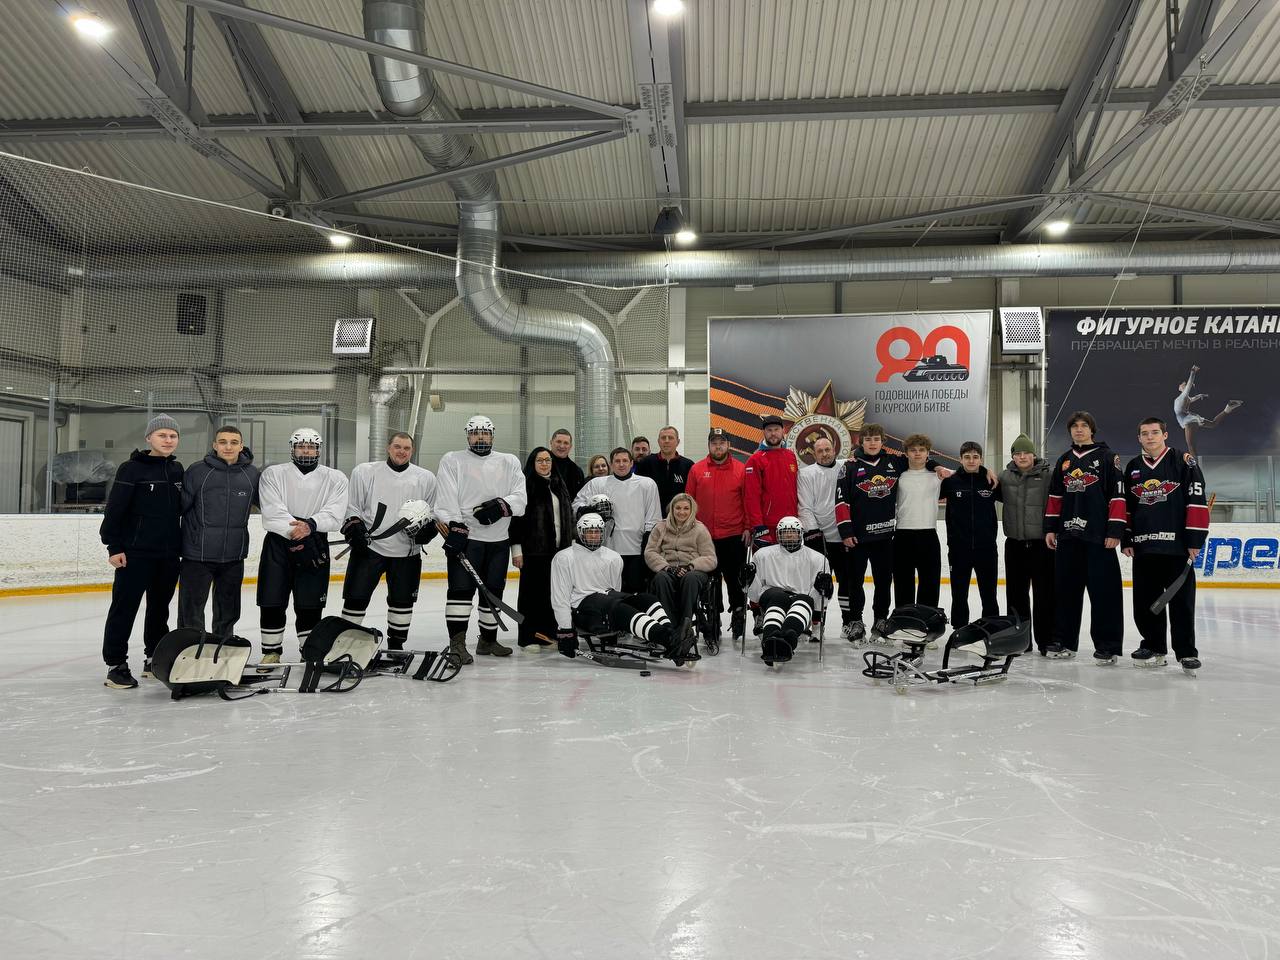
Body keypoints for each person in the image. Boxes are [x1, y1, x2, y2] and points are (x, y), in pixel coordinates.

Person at [836, 424, 958, 640]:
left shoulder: (895, 463)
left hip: (885, 536)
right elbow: (841, 499)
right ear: (861, 442)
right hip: (860, 536)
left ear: (883, 442)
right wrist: (845, 530)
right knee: (855, 581)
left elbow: (926, 461)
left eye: (877, 439)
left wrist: (936, 465)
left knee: (884, 583)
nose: (873, 443)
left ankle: (882, 619)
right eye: (868, 439)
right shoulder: (850, 466)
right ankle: (855, 620)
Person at [100, 414, 184, 689]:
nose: (168, 440)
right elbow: (115, 509)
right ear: (149, 438)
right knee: (124, 609)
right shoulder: (131, 469)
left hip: (168, 554)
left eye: (172, 436)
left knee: (160, 610)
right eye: (162, 435)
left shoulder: (177, 470)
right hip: (135, 553)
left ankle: (154, 658)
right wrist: (114, 546)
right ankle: (116, 665)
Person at [436, 415, 528, 663]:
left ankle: (488, 640)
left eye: (485, 433)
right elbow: (445, 498)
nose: (480, 437)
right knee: (460, 593)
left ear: (492, 435)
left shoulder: (508, 461)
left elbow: (521, 498)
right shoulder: (452, 459)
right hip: (468, 540)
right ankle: (457, 644)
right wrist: (456, 527)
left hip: (498, 541)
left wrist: (501, 506)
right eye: (475, 432)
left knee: (493, 592)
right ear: (467, 435)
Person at [552, 513, 697, 665]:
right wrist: (566, 631)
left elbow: (615, 589)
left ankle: (673, 637)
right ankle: (669, 639)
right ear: (581, 532)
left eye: (597, 532)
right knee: (617, 607)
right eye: (590, 531)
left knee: (646, 599)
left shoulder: (613, 557)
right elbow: (560, 598)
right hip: (581, 608)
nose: (594, 536)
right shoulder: (564, 558)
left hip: (605, 601)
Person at [1122, 417, 1209, 671]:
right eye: (1144, 433)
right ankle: (1152, 644)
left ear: (1165, 435)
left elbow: (1197, 500)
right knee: (1146, 601)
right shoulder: (1133, 467)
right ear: (1139, 438)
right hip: (1143, 546)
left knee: (1181, 601)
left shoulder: (1182, 461)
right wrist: (1126, 538)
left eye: (1154, 432)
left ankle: (1185, 651)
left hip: (1176, 547)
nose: (1150, 437)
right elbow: (1127, 507)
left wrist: (1194, 539)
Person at [257, 428, 348, 663]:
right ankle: (271, 653)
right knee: (272, 600)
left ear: (318, 449)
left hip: (315, 541)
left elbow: (335, 514)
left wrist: (311, 525)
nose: (306, 450)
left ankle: (309, 651)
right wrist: (299, 529)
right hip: (279, 543)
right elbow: (271, 511)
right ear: (292, 447)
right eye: (301, 446)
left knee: (309, 603)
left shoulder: (335, 477)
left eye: (311, 446)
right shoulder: (273, 474)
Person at [339, 432, 437, 650]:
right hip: (370, 549)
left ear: (412, 451)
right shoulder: (365, 472)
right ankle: (345, 644)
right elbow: (352, 506)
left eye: (407, 448)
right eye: (397, 446)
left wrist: (427, 531)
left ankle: (396, 646)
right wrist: (354, 527)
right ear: (388, 448)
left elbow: (431, 513)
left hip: (407, 552)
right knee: (356, 598)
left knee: (402, 602)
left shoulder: (426, 478)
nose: (401, 451)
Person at [1044, 411, 1126, 663]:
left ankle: (1108, 646)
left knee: (1105, 594)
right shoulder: (1064, 461)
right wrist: (1050, 528)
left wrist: (1114, 530)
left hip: (1098, 537)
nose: (1079, 430)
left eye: (1084, 426)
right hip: (1068, 536)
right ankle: (1064, 641)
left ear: (1092, 430)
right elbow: (1055, 498)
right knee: (1065, 592)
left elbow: (1118, 496)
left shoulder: (1108, 457)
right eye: (1075, 426)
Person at [178, 424, 259, 643]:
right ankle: (190, 651)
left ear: (241, 446)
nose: (228, 446)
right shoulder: (197, 471)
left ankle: (223, 652)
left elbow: (271, 506)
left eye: (234, 442)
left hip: (233, 556)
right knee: (191, 612)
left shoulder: (251, 474)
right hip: (197, 555)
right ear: (214, 445)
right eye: (223, 442)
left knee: (228, 612)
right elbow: (179, 507)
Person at [685, 427, 749, 635]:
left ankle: (738, 613)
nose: (718, 446)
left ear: (728, 445)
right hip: (704, 537)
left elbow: (748, 501)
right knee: (709, 580)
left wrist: (748, 527)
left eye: (722, 442)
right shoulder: (697, 469)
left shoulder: (741, 469)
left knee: (735, 579)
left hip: (733, 535)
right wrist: (689, 529)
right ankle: (712, 617)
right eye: (714, 442)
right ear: (709, 445)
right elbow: (688, 502)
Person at [509, 445, 574, 648]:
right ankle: (529, 637)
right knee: (531, 596)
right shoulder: (526, 485)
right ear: (532, 463)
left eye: (548, 460)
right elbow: (516, 521)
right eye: (540, 460)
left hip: (558, 551)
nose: (545, 464)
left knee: (552, 594)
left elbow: (567, 517)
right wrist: (516, 550)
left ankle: (546, 634)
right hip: (533, 551)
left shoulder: (558, 484)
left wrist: (570, 544)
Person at [743, 516, 831, 664]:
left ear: (800, 533)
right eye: (785, 532)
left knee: (805, 600)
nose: (789, 535)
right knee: (779, 597)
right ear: (778, 534)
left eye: (793, 531)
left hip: (801, 598)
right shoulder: (762, 555)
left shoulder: (817, 559)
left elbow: (819, 603)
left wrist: (823, 588)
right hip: (771, 596)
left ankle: (785, 642)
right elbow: (755, 595)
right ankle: (770, 640)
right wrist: (748, 579)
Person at [574, 447, 661, 592]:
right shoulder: (598, 484)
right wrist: (591, 510)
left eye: (625, 461)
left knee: (635, 588)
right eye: (617, 461)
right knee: (610, 589)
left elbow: (654, 516)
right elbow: (577, 504)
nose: (621, 464)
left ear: (631, 463)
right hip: (607, 548)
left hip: (636, 548)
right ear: (611, 464)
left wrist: (647, 542)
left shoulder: (647, 484)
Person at [998, 434, 1055, 654]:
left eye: (1026, 453)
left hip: (1042, 544)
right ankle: (1020, 640)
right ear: (1013, 455)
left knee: (1045, 594)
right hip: (1015, 544)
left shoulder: (1048, 476)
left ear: (1034, 454)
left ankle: (1046, 639)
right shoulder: (1004, 477)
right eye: (1017, 453)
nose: (1022, 457)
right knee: (1015, 594)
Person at [940, 441, 999, 630]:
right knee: (959, 593)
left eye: (975, 457)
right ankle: (960, 630)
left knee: (989, 594)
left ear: (981, 459)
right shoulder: (951, 482)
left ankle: (990, 630)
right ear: (960, 459)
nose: (971, 460)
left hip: (986, 548)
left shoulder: (990, 481)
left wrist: (988, 471)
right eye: (967, 457)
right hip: (959, 549)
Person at [644, 493, 717, 645]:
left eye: (686, 508)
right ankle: (668, 626)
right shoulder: (661, 527)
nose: (681, 512)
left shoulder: (700, 529)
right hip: (669, 568)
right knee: (660, 578)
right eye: (678, 508)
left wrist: (691, 566)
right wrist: (667, 567)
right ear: (672, 508)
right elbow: (650, 552)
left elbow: (711, 558)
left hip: (693, 571)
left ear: (692, 510)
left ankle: (686, 623)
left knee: (689, 579)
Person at [797, 435, 848, 640]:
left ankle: (849, 622)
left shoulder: (846, 467)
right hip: (820, 538)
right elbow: (805, 506)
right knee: (818, 583)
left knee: (848, 582)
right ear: (814, 453)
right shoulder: (806, 474)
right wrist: (813, 533)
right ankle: (817, 624)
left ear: (834, 449)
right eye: (820, 451)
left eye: (828, 449)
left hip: (844, 537)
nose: (825, 454)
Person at [892, 434, 947, 609]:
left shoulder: (938, 475)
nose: (917, 454)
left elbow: (966, 471)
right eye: (913, 450)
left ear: (928, 453)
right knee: (903, 583)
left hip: (928, 534)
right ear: (906, 453)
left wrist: (987, 471)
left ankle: (926, 621)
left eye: (921, 450)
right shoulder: (898, 476)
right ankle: (905, 620)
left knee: (930, 583)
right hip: (903, 534)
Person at [744, 414, 799, 549]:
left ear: (783, 431)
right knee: (769, 568)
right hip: (768, 526)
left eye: (776, 429)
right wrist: (758, 526)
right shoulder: (755, 460)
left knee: (790, 566)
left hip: (791, 524)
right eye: (769, 430)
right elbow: (751, 496)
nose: (773, 434)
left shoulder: (791, 456)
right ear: (764, 433)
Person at [1174, 364, 1243, 459]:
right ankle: (1228, 408)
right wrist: (1201, 395)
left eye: (1183, 384)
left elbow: (1190, 384)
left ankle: (1195, 469)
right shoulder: (1187, 398)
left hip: (1188, 420)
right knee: (1213, 424)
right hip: (1191, 418)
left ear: (1184, 388)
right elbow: (1194, 398)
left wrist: (1192, 372)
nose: (1182, 384)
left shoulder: (1184, 396)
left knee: (1191, 446)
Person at [634, 425, 695, 514]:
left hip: (679, 518)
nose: (666, 441)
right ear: (658, 441)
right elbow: (637, 492)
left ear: (677, 442)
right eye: (663, 438)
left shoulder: (688, 465)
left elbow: (691, 497)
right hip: (651, 517)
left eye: (670, 438)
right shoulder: (645, 463)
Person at [548, 428, 586, 499]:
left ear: (570, 446)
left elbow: (579, 499)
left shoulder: (576, 471)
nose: (562, 446)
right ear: (551, 442)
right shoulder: (540, 464)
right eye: (558, 442)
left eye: (566, 443)